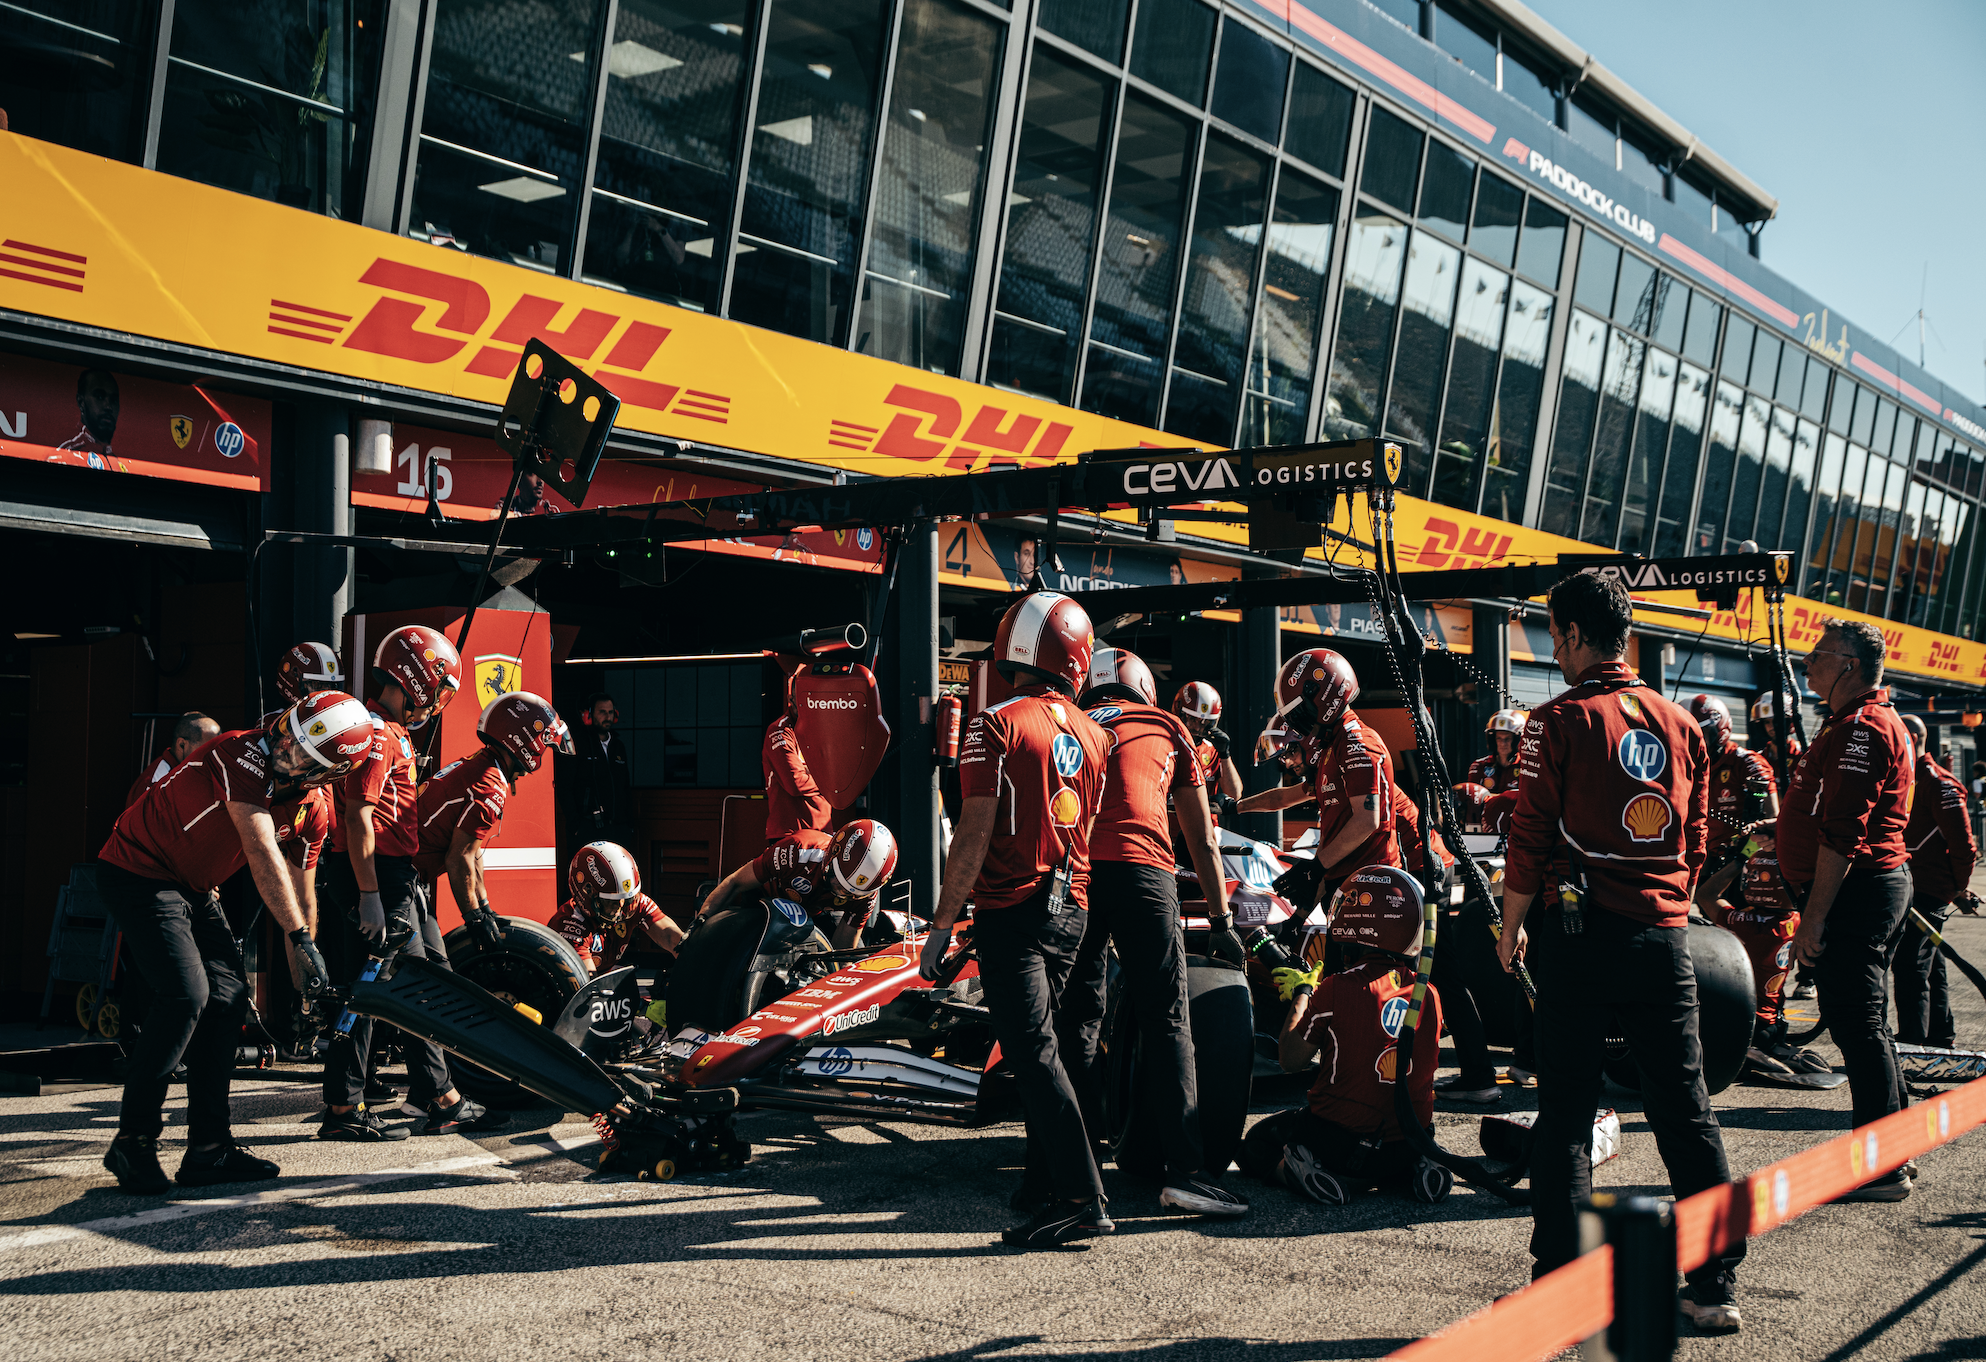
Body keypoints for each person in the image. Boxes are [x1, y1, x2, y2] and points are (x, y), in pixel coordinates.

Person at [1496, 571, 1743, 1332]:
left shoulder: (1556, 720)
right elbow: (1697, 840)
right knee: (1685, 1109)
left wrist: (1510, 928)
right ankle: (1714, 1287)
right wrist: (1669, 905)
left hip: (1581, 937)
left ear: (1572, 634)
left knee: (1565, 1115)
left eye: (1552, 635)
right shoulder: (1683, 722)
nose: (1552, 648)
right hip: (1666, 940)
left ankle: (1560, 1291)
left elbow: (1530, 833)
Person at [94, 691, 371, 1194]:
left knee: (227, 999)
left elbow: (301, 892)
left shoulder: (314, 813)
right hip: (137, 870)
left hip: (194, 888)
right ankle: (133, 1141)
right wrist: (299, 937)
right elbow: (261, 845)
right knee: (185, 995)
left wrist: (303, 968)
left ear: (328, 774)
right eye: (288, 733)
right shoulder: (240, 751)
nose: (283, 750)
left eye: (302, 754)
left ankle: (208, 1149)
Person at [918, 591, 1112, 1249]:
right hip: (1073, 910)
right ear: (1076, 658)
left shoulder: (993, 721)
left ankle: (1082, 1198)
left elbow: (972, 831)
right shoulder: (1097, 735)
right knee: (1046, 1053)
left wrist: (942, 926)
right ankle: (1044, 1188)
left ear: (1012, 649)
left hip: (1014, 909)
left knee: (1032, 1055)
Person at [1057, 647, 1248, 1219]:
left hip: (1078, 874)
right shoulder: (1166, 726)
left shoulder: (1070, 724)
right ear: (1144, 688)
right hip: (1144, 873)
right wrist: (1220, 919)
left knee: (1079, 1023)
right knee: (1169, 1020)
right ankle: (1185, 1173)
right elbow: (1204, 838)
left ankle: (1078, 1165)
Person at [319, 624, 485, 1143]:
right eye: (440, 692)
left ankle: (437, 1095)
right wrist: (370, 896)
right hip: (378, 879)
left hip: (396, 878)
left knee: (428, 980)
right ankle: (348, 1108)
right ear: (420, 679)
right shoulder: (376, 734)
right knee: (371, 994)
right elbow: (356, 817)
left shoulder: (388, 730)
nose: (437, 705)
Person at [1779, 619, 1915, 1199]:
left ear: (1848, 665)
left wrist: (1812, 919)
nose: (1808, 663)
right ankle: (1895, 1153)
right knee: (1866, 1024)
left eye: (1818, 654)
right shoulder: (1850, 724)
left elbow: (1845, 834)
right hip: (1864, 886)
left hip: (1857, 891)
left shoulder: (1862, 728)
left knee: (1859, 1025)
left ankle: (1881, 1167)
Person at [1241, 865, 1451, 1206]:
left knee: (1256, 1144)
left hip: (1341, 1143)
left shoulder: (1337, 988)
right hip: (1409, 1141)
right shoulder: (1430, 994)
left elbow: (1290, 1061)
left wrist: (1304, 993)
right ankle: (1418, 1166)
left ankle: (1302, 1171)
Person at [1235, 649, 1401, 911]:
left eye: (1300, 710)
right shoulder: (1333, 748)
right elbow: (1288, 799)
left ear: (1322, 696)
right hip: (1352, 885)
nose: (1299, 721)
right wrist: (1300, 916)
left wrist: (1315, 867)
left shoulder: (1355, 741)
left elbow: (1367, 820)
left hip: (1372, 886)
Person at [1894, 713, 1975, 1050]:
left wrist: (1956, 889)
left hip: (1929, 890)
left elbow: (1965, 847)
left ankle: (1913, 1042)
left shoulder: (1938, 783)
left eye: (1898, 739)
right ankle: (1940, 1037)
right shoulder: (1904, 779)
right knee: (1931, 965)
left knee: (1911, 963)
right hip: (1907, 886)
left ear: (1911, 739)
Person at [697, 819, 900, 944]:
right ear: (832, 854)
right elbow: (735, 882)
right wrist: (701, 922)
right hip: (767, 899)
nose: (841, 892)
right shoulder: (797, 850)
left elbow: (841, 952)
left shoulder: (867, 893)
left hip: (815, 911)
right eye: (838, 880)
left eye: (851, 892)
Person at [1690, 695, 1779, 918]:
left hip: (1746, 864)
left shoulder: (1747, 762)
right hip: (1709, 860)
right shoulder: (1692, 768)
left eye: (1703, 735)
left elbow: (1771, 820)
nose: (1698, 742)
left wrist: (1742, 858)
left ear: (1721, 730)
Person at [550, 841, 685, 976]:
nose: (621, 906)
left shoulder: (632, 904)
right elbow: (587, 985)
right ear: (587, 892)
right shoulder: (570, 927)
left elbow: (673, 940)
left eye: (627, 898)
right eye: (611, 901)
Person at [558, 690, 636, 864]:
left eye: (610, 712)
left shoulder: (618, 746)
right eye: (602, 712)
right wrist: (576, 824)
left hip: (617, 828)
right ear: (589, 715)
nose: (607, 717)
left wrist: (629, 825)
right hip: (587, 827)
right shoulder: (577, 744)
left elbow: (625, 787)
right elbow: (564, 786)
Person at [762, 678, 831, 845]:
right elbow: (795, 782)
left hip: (824, 831)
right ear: (790, 700)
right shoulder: (780, 730)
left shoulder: (824, 728)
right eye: (803, 699)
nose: (808, 705)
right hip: (791, 834)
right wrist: (830, 782)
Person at [125, 712, 221, 808]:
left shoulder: (206, 771)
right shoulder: (154, 784)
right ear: (181, 744)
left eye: (217, 749)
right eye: (206, 749)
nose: (214, 756)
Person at [1173, 681, 1242, 803]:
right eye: (1192, 719)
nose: (1197, 728)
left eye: (1205, 722)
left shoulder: (1212, 749)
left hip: (1207, 821)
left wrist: (1224, 754)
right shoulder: (1166, 745)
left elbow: (1234, 794)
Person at [1464, 709, 1526, 795]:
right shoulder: (1479, 766)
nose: (1502, 743)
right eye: (1498, 738)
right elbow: (1473, 797)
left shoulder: (1526, 767)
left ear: (1517, 741)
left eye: (1507, 739)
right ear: (1493, 740)